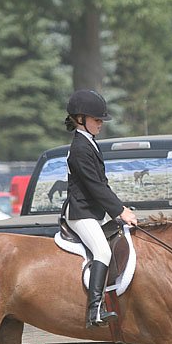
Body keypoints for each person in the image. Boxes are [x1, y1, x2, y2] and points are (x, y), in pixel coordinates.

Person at [63, 89, 138, 329]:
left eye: (101, 120)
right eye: (97, 120)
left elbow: (102, 183)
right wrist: (120, 211)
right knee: (103, 252)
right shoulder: (80, 149)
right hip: (80, 213)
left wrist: (121, 207)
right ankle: (94, 310)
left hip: (92, 211)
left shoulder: (90, 143)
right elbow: (95, 187)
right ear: (80, 119)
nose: (100, 124)